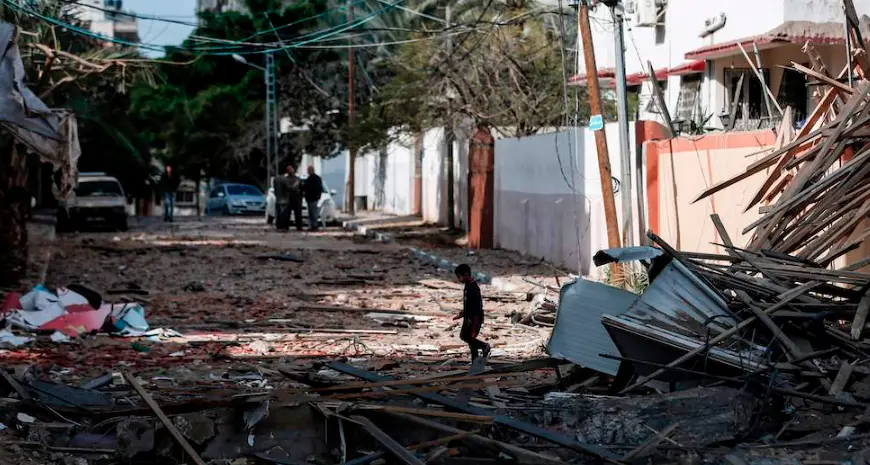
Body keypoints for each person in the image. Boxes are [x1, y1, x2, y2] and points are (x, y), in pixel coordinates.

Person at [452, 264, 491, 362]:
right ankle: (475, 362)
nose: (459, 279)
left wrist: (471, 319)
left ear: (465, 274)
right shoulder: (468, 285)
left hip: (474, 318)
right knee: (471, 341)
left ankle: (484, 346)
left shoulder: (473, 287)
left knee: (465, 336)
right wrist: (461, 314)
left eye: (459, 277)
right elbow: (468, 304)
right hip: (469, 316)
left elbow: (476, 306)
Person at [274, 165, 303, 231]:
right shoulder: (286, 179)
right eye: (289, 170)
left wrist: (300, 197)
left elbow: (301, 189)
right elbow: (287, 188)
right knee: (286, 214)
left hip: (296, 199)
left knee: (298, 214)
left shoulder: (297, 179)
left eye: (291, 169)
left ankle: (299, 227)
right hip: (288, 199)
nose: (291, 171)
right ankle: (285, 226)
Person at [303, 166, 323, 231]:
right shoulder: (310, 178)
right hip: (310, 198)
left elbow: (318, 188)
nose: (308, 172)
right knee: (311, 212)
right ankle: (312, 225)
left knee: (313, 212)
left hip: (313, 198)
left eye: (308, 170)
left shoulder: (315, 179)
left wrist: (317, 196)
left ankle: (314, 226)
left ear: (312, 170)